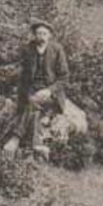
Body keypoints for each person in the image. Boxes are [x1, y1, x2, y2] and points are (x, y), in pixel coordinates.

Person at [5, 19, 69, 157]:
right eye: (38, 33)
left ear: (50, 35)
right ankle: (37, 144)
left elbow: (64, 77)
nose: (41, 37)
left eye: (44, 33)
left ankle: (15, 138)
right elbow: (23, 76)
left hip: (50, 92)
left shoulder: (57, 49)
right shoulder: (28, 49)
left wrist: (49, 90)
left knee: (34, 105)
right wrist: (26, 93)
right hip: (31, 89)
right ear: (35, 35)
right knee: (33, 107)